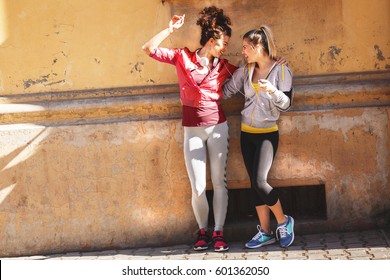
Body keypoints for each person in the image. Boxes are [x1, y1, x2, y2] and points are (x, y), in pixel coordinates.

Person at [142, 6, 238, 252]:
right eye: (223, 43)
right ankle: (203, 231)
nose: (225, 47)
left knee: (219, 181)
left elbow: (250, 76)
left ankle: (218, 232)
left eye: (227, 44)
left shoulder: (224, 66)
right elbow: (149, 49)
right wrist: (170, 29)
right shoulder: (182, 57)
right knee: (197, 186)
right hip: (192, 129)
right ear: (210, 39)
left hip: (218, 127)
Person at [223, 25, 295, 248]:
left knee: (259, 182)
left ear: (258, 47)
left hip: (267, 134)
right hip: (247, 134)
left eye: (246, 47)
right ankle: (265, 232)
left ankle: (284, 221)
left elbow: (287, 104)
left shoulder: (282, 71)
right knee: (253, 185)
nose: (243, 51)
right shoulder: (245, 70)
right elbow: (227, 91)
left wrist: (272, 91)